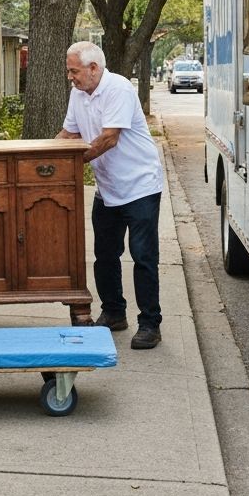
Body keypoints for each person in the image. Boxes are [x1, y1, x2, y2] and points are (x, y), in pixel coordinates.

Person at [56, 41, 164, 350]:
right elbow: (70, 134)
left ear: (93, 69)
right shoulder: (79, 94)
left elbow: (108, 139)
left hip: (139, 185)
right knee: (104, 255)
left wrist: (73, 163)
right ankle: (114, 312)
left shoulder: (119, 89)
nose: (70, 77)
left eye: (74, 71)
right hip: (108, 188)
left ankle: (150, 324)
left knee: (143, 256)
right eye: (69, 71)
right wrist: (46, 156)